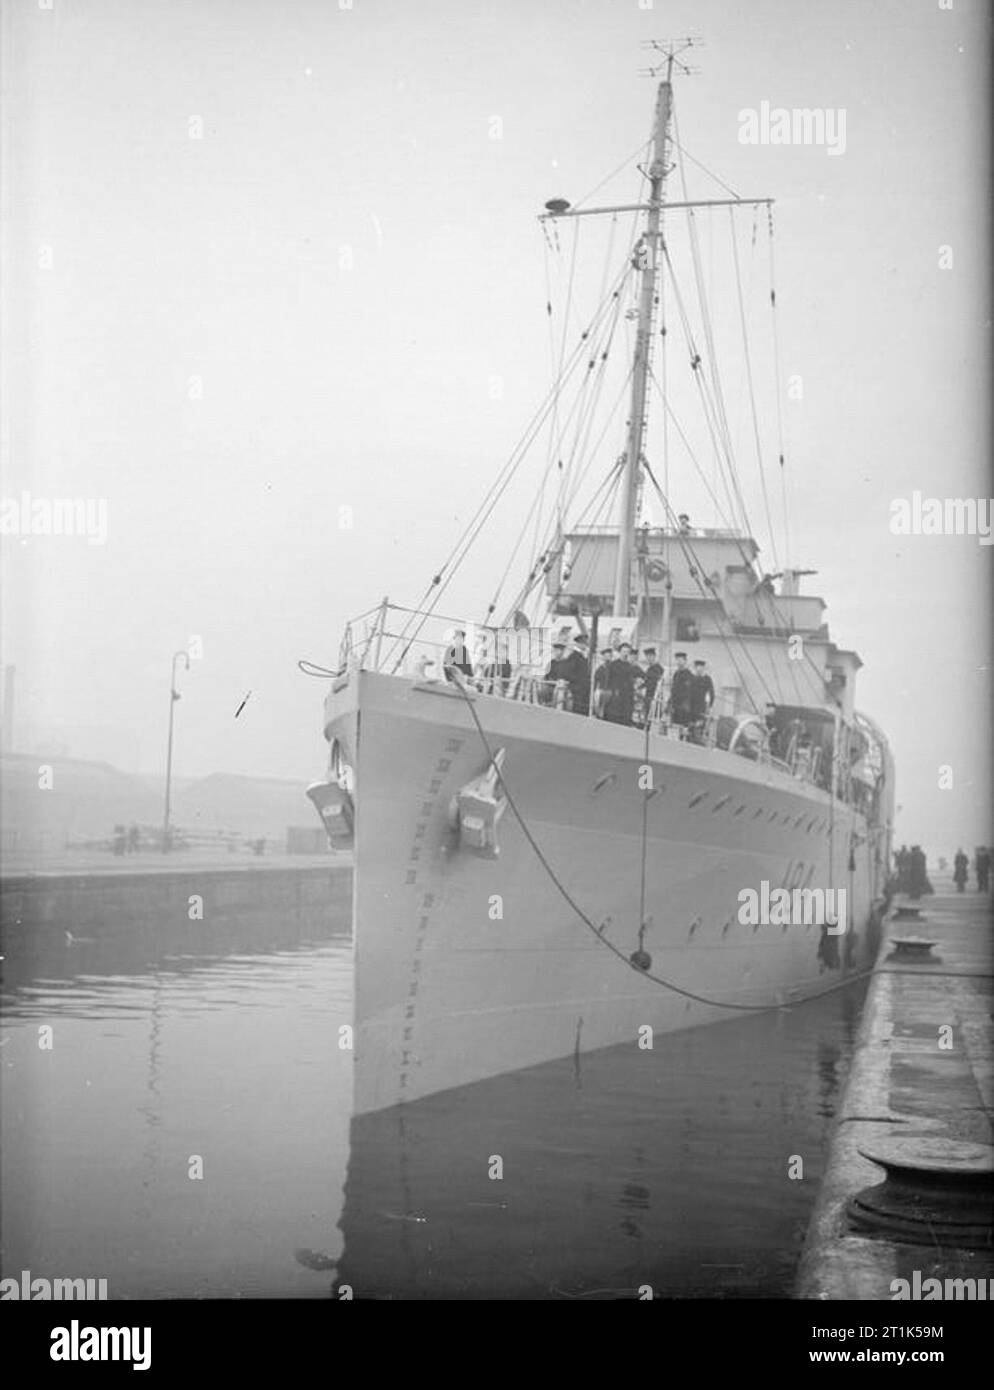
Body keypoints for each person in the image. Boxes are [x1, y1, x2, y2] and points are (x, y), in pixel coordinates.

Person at [601, 643, 639, 725]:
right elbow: (608, 680)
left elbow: (633, 680)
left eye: (627, 652)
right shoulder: (613, 665)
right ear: (620, 652)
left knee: (625, 718)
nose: (625, 653)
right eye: (624, 651)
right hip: (615, 696)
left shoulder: (630, 666)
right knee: (613, 717)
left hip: (627, 697)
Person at [563, 633, 591, 716]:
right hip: (577, 688)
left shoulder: (583, 657)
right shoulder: (573, 656)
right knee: (577, 708)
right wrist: (578, 681)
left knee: (583, 708)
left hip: (584, 687)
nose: (585, 645)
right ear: (578, 644)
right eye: (583, 643)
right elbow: (568, 673)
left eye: (585, 643)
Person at [667, 651, 695, 730]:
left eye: (680, 660)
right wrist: (669, 702)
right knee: (672, 726)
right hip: (674, 705)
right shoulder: (676, 674)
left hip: (683, 707)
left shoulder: (689, 675)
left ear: (685, 661)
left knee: (681, 727)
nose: (678, 662)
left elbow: (688, 693)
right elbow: (673, 689)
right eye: (677, 660)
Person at [690, 658, 715, 741]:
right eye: (697, 667)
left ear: (703, 668)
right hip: (691, 706)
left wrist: (709, 706)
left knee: (699, 726)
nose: (698, 669)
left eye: (700, 667)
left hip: (701, 706)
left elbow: (711, 693)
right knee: (690, 726)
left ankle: (699, 738)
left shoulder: (707, 679)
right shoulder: (693, 678)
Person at [641, 647, 664, 714]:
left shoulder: (659, 669)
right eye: (647, 656)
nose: (648, 658)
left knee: (652, 714)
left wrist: (642, 686)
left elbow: (652, 682)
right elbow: (647, 681)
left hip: (654, 696)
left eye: (650, 656)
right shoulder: (649, 669)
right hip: (648, 695)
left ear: (654, 656)